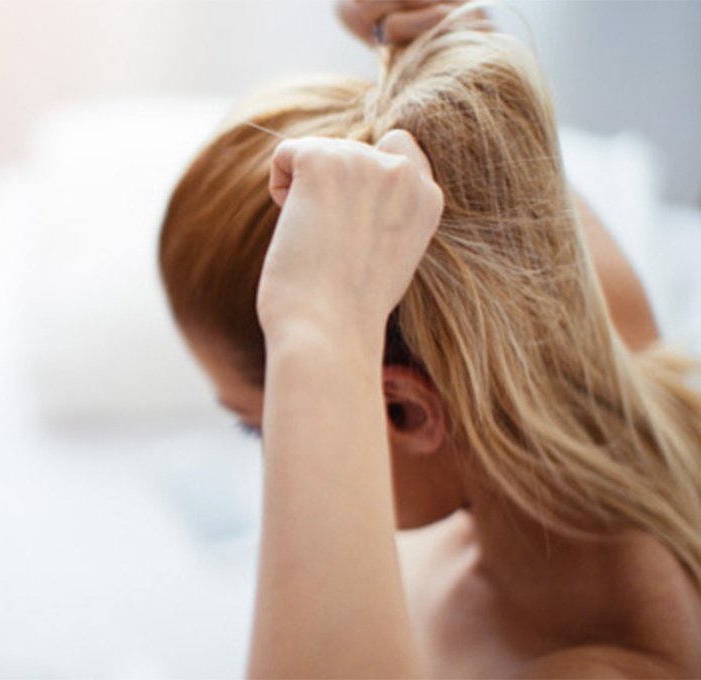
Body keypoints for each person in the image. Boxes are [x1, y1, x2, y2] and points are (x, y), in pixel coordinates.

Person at [157, 1, 701, 676]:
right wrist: (455, 57)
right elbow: (506, 198)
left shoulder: (602, 662)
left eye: (261, 429)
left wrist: (320, 324)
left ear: (405, 411)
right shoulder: (602, 317)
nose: (281, 469)